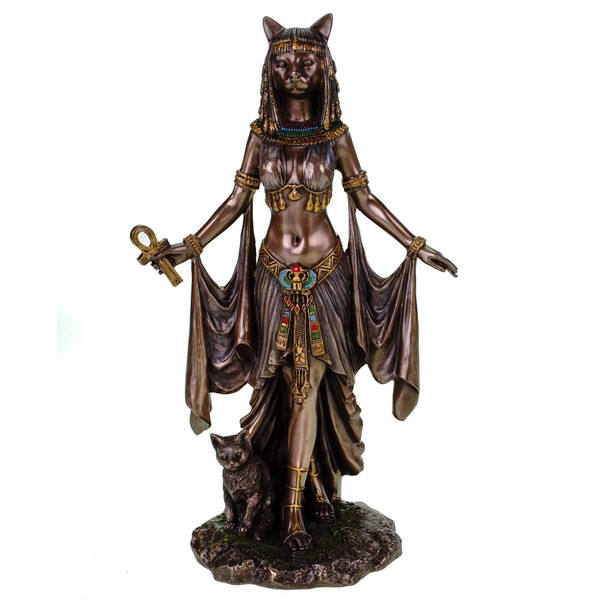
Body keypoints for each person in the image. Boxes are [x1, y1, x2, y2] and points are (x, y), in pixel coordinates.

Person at [156, 14, 457, 552]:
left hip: (326, 277)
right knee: (273, 386)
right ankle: (295, 486)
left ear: (325, 70)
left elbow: (364, 198)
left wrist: (415, 245)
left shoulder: (336, 136)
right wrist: (190, 245)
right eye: (283, 62)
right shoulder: (260, 135)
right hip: (272, 276)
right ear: (268, 70)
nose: (294, 71)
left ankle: (294, 510)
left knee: (307, 387)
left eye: (306, 61)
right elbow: (237, 200)